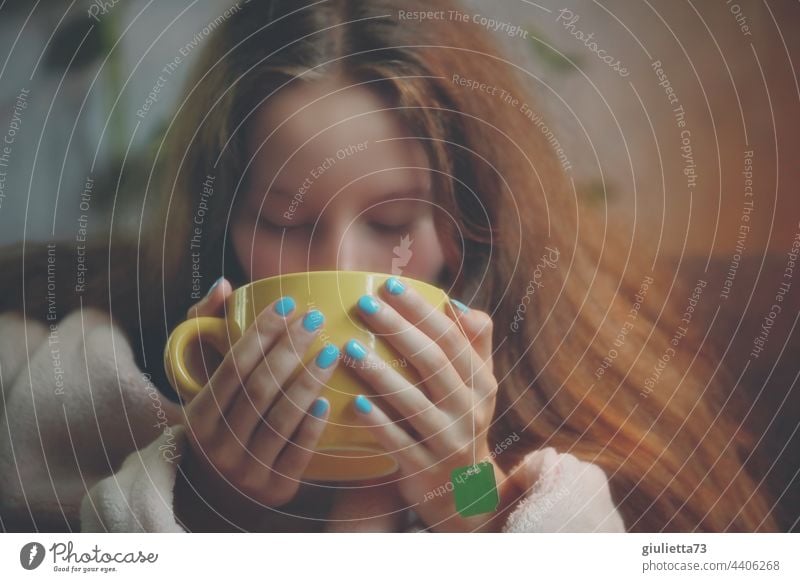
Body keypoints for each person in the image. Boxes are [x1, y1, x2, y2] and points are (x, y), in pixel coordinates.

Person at [0, 0, 775, 532]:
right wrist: (207, 498)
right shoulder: (91, 393)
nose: (339, 263)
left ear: (464, 225)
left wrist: (465, 492)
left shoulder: (558, 393)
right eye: (282, 218)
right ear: (222, 220)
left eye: (393, 222)